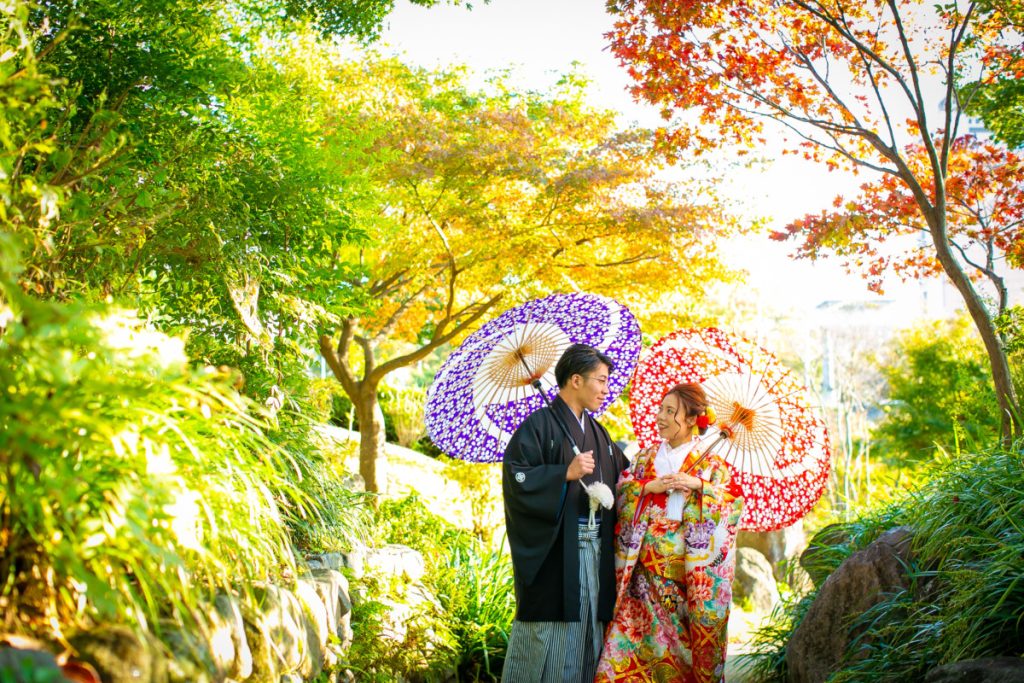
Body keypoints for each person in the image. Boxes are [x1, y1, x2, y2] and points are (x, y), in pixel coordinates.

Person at [595, 383, 743, 683]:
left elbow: (731, 503)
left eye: (670, 411)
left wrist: (699, 486)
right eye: (661, 409)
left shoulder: (712, 465)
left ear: (692, 419)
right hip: (640, 576)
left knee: (677, 658)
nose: (660, 416)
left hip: (681, 581)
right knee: (620, 656)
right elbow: (622, 489)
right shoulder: (645, 457)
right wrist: (648, 487)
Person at [501, 343, 630, 682]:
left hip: (595, 553)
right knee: (549, 637)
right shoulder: (538, 427)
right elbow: (517, 478)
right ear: (575, 380)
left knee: (588, 634)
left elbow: (626, 479)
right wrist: (563, 474)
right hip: (556, 555)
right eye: (600, 380)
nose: (606, 389)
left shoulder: (599, 433)